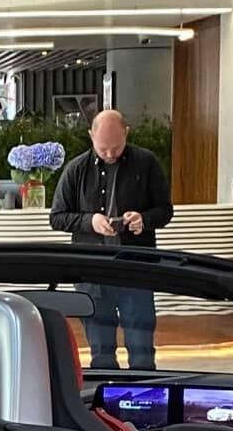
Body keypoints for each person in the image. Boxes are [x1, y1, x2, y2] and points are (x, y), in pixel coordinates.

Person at [49, 108, 174, 371]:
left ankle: (144, 399)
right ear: (91, 136)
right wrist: (89, 221)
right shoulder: (76, 169)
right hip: (92, 273)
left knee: (141, 351)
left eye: (116, 147)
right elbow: (57, 217)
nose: (109, 154)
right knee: (100, 352)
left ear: (126, 134)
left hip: (136, 269)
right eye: (103, 148)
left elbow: (165, 211)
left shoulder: (147, 163)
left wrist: (144, 219)